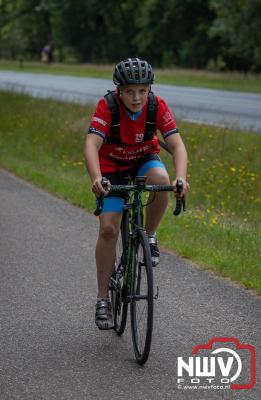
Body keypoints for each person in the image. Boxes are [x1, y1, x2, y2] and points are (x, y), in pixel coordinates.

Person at [84, 58, 189, 330]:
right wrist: (97, 178)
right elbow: (91, 144)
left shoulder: (157, 105)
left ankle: (150, 236)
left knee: (162, 179)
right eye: (130, 90)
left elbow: (177, 146)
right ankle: (103, 299)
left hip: (143, 160)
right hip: (111, 168)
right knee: (109, 229)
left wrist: (181, 178)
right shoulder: (107, 106)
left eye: (143, 90)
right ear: (119, 90)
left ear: (149, 89)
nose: (137, 97)